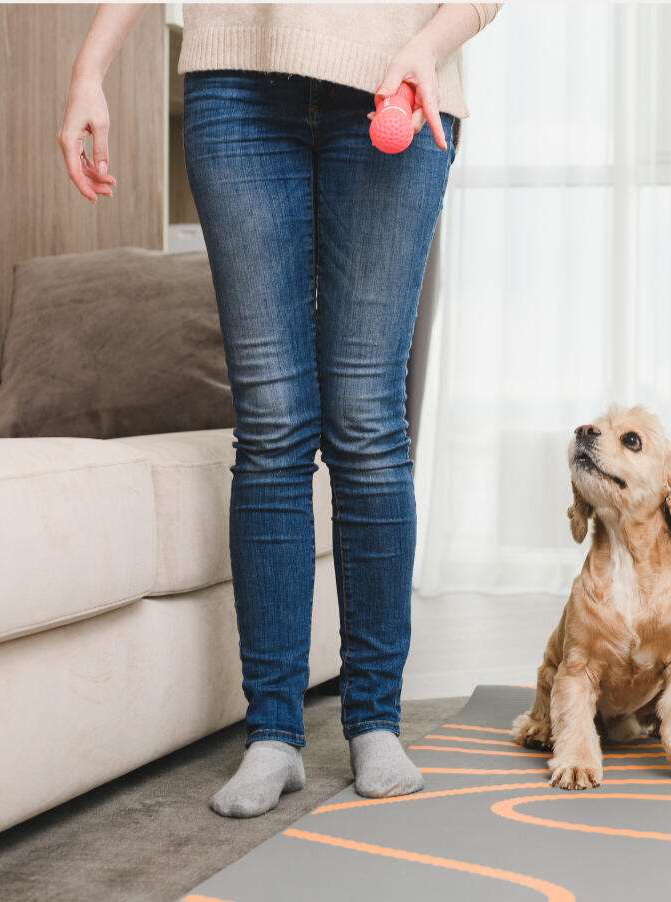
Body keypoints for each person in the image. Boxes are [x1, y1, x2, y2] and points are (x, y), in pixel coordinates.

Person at [59, 3, 499, 819]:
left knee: (367, 419)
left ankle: (374, 720)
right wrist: (91, 70)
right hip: (234, 87)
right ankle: (272, 733)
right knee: (270, 425)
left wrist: (429, 45)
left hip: (392, 79)